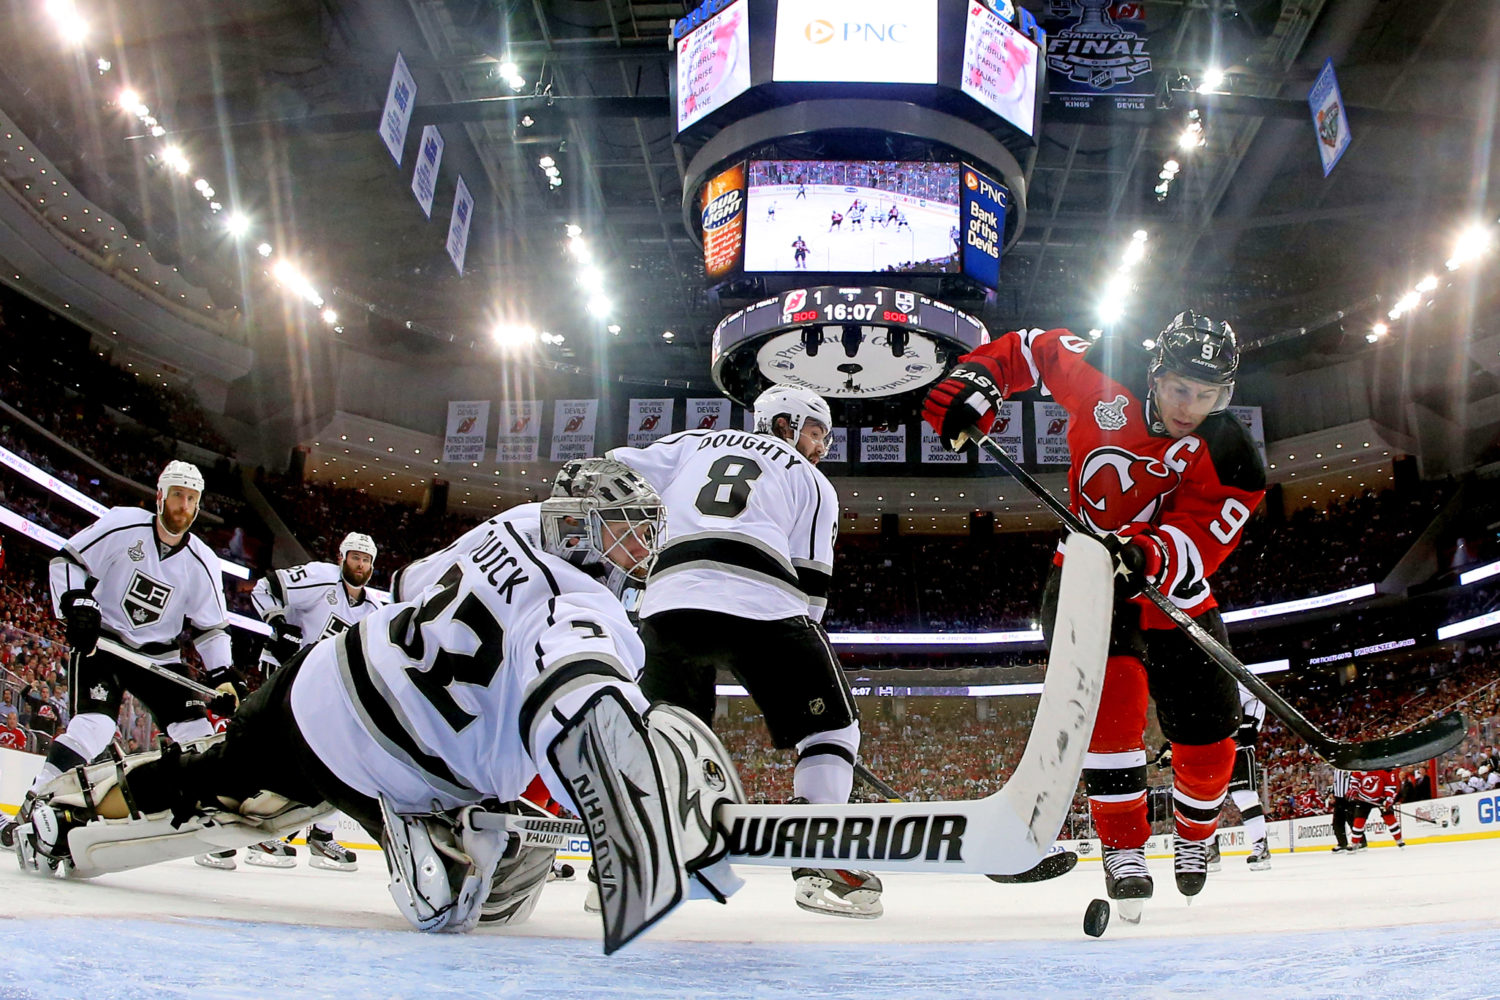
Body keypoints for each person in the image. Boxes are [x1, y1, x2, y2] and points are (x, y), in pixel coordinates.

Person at [19, 459, 744, 954]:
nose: (642, 553)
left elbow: (417, 578)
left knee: (208, 774)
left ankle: (72, 814)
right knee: (501, 886)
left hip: (322, 680)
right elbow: (576, 733)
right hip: (397, 764)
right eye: (629, 532)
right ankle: (430, 841)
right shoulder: (587, 616)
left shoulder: (511, 524)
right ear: (583, 527)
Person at [923, 311, 1266, 916]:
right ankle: (1124, 849)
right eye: (1180, 387)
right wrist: (976, 380)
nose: (1189, 406)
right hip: (1085, 577)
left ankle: (1194, 836)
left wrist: (1151, 553)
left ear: (1226, 394)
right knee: (1111, 713)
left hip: (1172, 591)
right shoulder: (1101, 368)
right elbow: (1029, 348)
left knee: (1212, 751)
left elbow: (1206, 534)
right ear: (1156, 371)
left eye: (1206, 394)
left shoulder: (1232, 453)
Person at [607, 386, 879, 919]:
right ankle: (819, 862)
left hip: (666, 601)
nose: (821, 446)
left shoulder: (694, 442)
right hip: (762, 600)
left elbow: (612, 470)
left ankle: (634, 866)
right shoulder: (812, 481)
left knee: (671, 738)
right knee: (831, 731)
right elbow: (814, 592)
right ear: (787, 423)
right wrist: (795, 682)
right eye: (817, 431)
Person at [13, 461, 233, 867]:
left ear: (198, 507)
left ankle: (203, 820)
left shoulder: (203, 561)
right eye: (178, 495)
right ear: (160, 496)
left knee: (199, 735)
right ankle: (34, 801)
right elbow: (66, 561)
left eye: (192, 499)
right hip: (106, 644)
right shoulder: (122, 525)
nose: (184, 505)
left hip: (160, 657)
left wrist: (223, 676)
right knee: (94, 727)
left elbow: (212, 628)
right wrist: (76, 603)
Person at [222, 532, 387, 872]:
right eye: (355, 557)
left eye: (366, 559)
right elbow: (266, 587)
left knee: (344, 760)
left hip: (326, 691)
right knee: (281, 755)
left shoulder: (373, 609)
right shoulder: (319, 577)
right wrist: (278, 624)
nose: (360, 564)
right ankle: (261, 834)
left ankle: (321, 837)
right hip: (287, 678)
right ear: (342, 558)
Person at [1228, 683, 1271, 870]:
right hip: (1209, 749)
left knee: (1243, 796)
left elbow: (1258, 693)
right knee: (1205, 799)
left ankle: (1260, 844)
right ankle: (1209, 847)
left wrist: (1251, 722)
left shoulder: (1229, 681)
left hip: (1237, 746)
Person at [1349, 768, 1405, 849]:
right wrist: (1354, 789)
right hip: (1364, 798)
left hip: (1381, 797)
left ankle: (1399, 839)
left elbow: (1391, 786)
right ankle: (1354, 843)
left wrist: (1388, 799)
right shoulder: (1361, 767)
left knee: (1389, 817)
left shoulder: (1386, 769)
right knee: (1359, 820)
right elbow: (1354, 779)